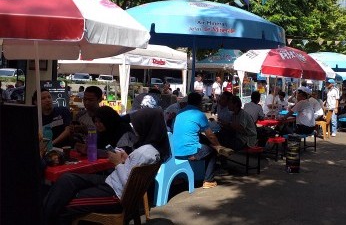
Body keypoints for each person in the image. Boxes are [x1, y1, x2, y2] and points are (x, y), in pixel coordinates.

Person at [42, 108, 170, 225]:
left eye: (137, 125)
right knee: (67, 179)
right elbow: (133, 172)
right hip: (113, 183)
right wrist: (126, 159)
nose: (134, 127)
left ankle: (44, 218)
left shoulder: (144, 152)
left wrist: (118, 163)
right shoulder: (152, 150)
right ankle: (43, 216)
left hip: (116, 195)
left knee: (64, 204)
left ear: (146, 127)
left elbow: (128, 182)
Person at [172, 92, 232, 189]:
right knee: (213, 152)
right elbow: (210, 135)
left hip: (175, 150)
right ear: (199, 103)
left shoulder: (180, 113)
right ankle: (209, 180)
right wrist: (218, 147)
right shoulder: (199, 115)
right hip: (189, 152)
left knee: (203, 139)